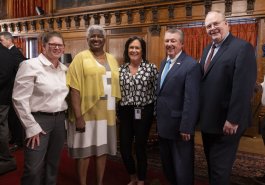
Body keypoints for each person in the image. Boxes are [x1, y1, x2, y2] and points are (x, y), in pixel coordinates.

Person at [199, 10, 257, 185]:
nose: (212, 28)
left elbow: (243, 87)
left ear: (226, 24)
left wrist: (233, 119)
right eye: (208, 26)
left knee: (220, 169)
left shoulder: (242, 47)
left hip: (227, 123)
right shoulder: (207, 49)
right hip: (209, 121)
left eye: (216, 23)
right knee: (212, 165)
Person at [66, 25, 121, 185]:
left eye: (99, 36)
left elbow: (114, 88)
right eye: (92, 36)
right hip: (86, 113)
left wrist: (115, 112)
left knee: (101, 150)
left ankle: (99, 182)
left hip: (107, 113)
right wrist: (78, 116)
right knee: (84, 151)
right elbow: (74, 89)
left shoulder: (112, 59)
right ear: (87, 39)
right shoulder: (80, 58)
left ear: (105, 39)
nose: (96, 39)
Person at [12, 31, 69, 185]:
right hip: (38, 120)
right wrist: (31, 125)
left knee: (53, 165)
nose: (57, 47)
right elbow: (19, 99)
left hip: (59, 120)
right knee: (33, 169)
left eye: (60, 45)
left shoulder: (64, 69)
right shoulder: (30, 65)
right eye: (52, 44)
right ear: (44, 47)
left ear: (64, 48)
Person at [156, 28, 201, 185]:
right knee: (168, 167)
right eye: (167, 41)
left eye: (173, 41)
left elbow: (192, 99)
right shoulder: (163, 62)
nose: (169, 44)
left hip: (180, 128)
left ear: (182, 43)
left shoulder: (191, 65)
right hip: (164, 126)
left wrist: (187, 127)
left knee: (183, 170)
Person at [118, 36, 158, 185]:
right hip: (125, 111)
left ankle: (141, 179)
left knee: (140, 147)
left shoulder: (151, 68)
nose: (134, 50)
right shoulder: (120, 69)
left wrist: (154, 114)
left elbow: (156, 91)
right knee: (124, 148)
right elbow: (117, 93)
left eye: (137, 48)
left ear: (142, 51)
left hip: (144, 111)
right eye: (131, 47)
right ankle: (132, 176)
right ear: (127, 50)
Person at [0, 31, 27, 151]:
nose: (0, 43)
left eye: (1, 40)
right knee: (10, 118)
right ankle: (13, 139)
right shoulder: (8, 52)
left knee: (15, 117)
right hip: (9, 89)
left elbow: (22, 71)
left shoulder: (15, 52)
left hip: (13, 89)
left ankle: (18, 141)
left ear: (9, 40)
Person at [0, 43, 17, 175]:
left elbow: (4, 75)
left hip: (2, 98)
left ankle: (5, 159)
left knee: (1, 128)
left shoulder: (4, 53)